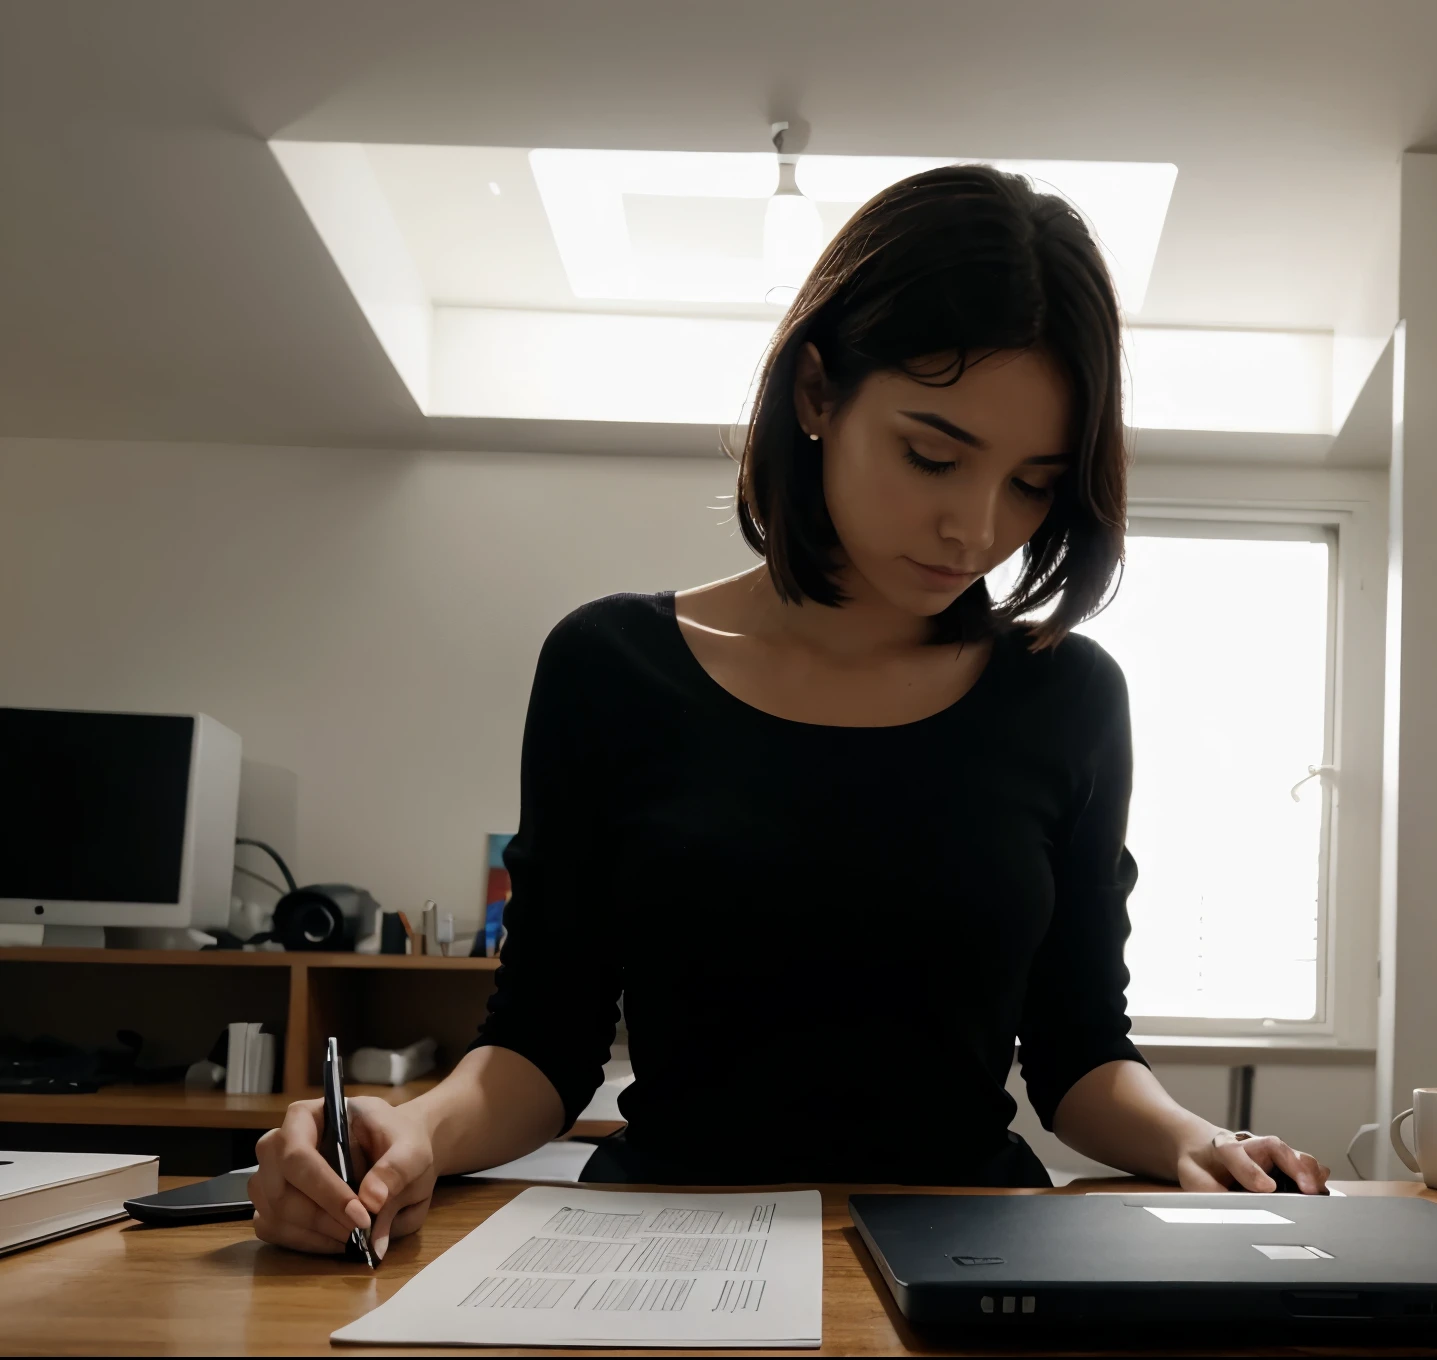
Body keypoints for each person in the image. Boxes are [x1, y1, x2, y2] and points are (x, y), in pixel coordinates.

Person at [251, 164, 1329, 1259]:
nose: (974, 529)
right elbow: (539, 1042)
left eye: (1031, 483)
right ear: (816, 394)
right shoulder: (609, 666)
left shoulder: (1066, 695)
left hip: (965, 1252)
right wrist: (410, 1131)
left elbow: (1079, 1052)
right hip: (657, 1248)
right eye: (932, 455)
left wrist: (1200, 1139)